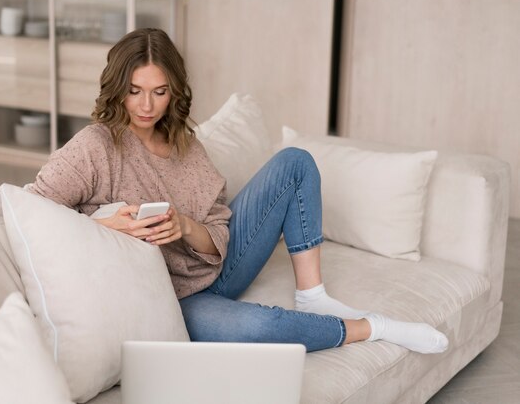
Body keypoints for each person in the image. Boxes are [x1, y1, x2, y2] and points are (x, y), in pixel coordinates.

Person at [28, 28, 448, 354]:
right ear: (117, 87)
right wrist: (106, 224)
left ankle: (313, 296)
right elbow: (32, 207)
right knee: (262, 327)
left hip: (218, 266)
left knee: (295, 162)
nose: (146, 106)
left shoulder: (183, 143)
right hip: (173, 299)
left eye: (159, 92)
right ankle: (374, 328)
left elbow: (218, 220)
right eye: (134, 91)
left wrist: (186, 227)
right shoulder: (95, 146)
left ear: (174, 91)